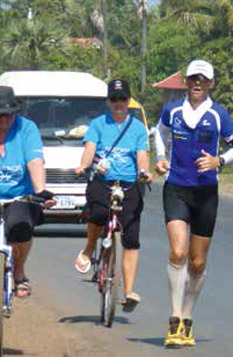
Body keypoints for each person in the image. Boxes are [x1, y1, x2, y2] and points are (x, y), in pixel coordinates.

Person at [154, 59, 233, 347]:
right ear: (186, 82)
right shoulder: (173, 111)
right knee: (177, 253)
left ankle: (188, 318)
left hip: (206, 193)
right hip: (176, 188)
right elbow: (159, 132)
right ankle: (174, 318)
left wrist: (218, 161)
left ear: (211, 84)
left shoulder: (219, 114)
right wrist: (160, 157)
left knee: (197, 262)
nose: (197, 84)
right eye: (193, 79)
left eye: (202, 80)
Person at [74, 79, 152, 311]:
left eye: (123, 99)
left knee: (131, 237)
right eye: (114, 99)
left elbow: (142, 155)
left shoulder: (137, 128)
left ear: (128, 101)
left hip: (128, 184)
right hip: (103, 182)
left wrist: (144, 172)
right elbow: (89, 150)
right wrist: (83, 166)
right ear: (109, 101)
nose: (119, 104)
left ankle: (128, 291)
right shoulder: (98, 124)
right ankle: (89, 248)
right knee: (97, 214)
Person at [0, 85, 55, 298]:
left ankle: (18, 272)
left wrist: (41, 191)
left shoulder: (26, 128)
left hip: (19, 195)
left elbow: (35, 161)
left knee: (21, 228)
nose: (4, 120)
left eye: (9, 115)